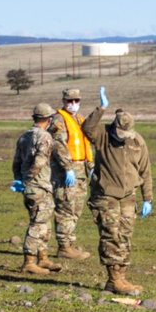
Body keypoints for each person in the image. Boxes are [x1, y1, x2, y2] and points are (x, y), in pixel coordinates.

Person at [82, 86, 153, 295]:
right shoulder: (102, 134)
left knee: (125, 235)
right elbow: (86, 128)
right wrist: (101, 108)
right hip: (106, 196)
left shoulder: (137, 141)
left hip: (128, 197)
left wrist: (147, 198)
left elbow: (145, 171)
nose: (123, 138)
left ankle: (121, 276)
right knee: (110, 236)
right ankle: (113, 279)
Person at [11, 103, 76, 274]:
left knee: (45, 225)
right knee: (37, 224)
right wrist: (28, 180)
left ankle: (43, 258)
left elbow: (16, 162)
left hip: (32, 187)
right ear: (48, 119)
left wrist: (19, 179)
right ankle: (29, 262)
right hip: (39, 186)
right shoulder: (45, 137)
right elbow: (39, 162)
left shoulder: (24, 136)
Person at [49, 88, 95, 260]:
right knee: (65, 208)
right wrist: (67, 167)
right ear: (63, 101)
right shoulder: (59, 119)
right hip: (65, 172)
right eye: (69, 101)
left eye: (76, 101)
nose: (73, 104)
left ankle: (70, 243)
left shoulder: (79, 119)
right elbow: (58, 144)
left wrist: (91, 165)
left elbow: (86, 145)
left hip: (81, 171)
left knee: (76, 208)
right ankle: (64, 246)